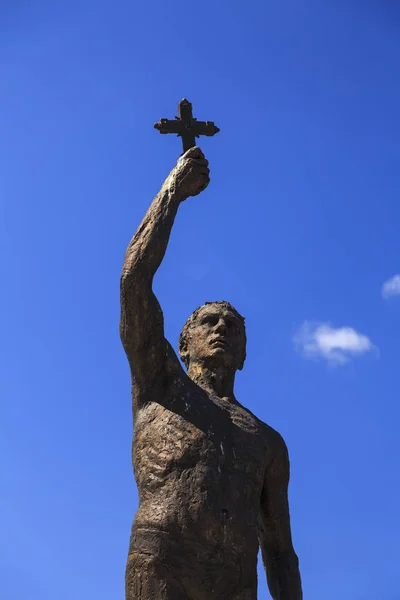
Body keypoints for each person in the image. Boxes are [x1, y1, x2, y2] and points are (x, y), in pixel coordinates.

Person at [120, 147, 302, 600]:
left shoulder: (266, 442)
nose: (222, 327)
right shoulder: (160, 386)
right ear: (184, 345)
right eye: (209, 321)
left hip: (235, 581)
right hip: (163, 562)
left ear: (243, 354)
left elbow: (280, 551)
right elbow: (134, 282)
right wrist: (172, 194)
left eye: (233, 326)